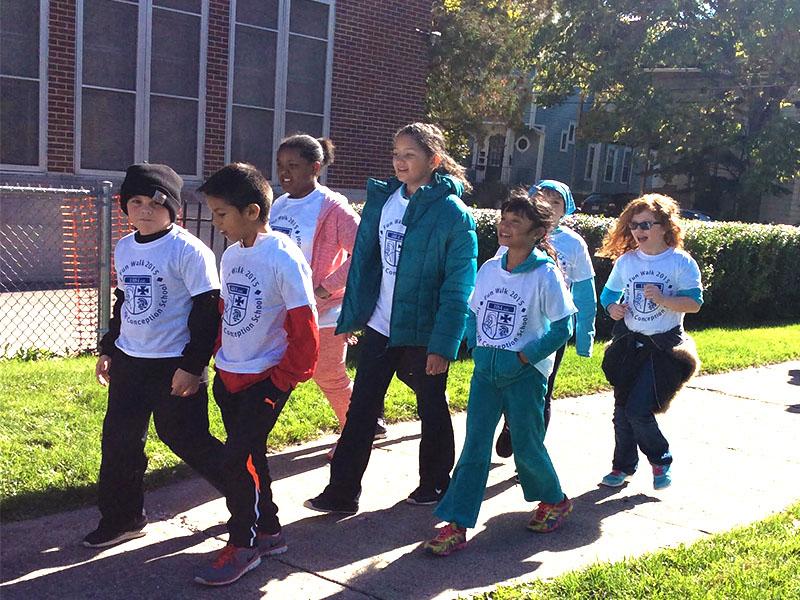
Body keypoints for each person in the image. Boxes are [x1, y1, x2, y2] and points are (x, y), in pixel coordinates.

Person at [304, 122, 478, 514]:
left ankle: (435, 484)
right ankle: (342, 493)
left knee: (431, 406)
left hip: (423, 331)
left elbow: (458, 285)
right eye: (396, 154)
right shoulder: (384, 202)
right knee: (362, 408)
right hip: (380, 326)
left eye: (409, 155)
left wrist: (444, 343)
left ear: (433, 161)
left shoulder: (454, 215)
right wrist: (353, 315)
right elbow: (365, 263)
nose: (399, 162)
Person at [423, 189, 577, 556]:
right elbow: (474, 310)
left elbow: (562, 328)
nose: (504, 227)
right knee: (475, 444)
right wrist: (476, 346)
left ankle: (554, 499)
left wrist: (523, 359)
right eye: (503, 219)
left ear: (537, 232)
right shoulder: (491, 267)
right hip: (486, 374)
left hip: (525, 375)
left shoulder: (545, 275)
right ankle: (457, 523)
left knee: (526, 444)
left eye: (515, 222)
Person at [84, 163, 226, 549]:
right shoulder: (125, 247)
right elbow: (125, 302)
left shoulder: (189, 251)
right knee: (119, 442)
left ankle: (250, 500)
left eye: (155, 203)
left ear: (173, 208)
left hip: (173, 364)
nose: (145, 210)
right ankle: (123, 518)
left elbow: (206, 310)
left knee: (187, 438)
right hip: (130, 361)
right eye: (136, 201)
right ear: (124, 207)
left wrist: (193, 368)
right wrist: (109, 349)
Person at [193, 163, 319, 586]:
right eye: (212, 213)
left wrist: (282, 379)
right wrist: (216, 355)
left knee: (235, 460)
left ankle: (242, 545)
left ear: (251, 211)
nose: (216, 223)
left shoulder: (282, 255)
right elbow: (230, 312)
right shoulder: (231, 254)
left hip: (266, 379)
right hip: (230, 376)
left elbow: (305, 326)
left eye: (221, 214)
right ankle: (269, 531)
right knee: (251, 459)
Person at [596, 193, 702, 491]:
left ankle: (660, 459)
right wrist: (612, 308)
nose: (638, 231)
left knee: (638, 411)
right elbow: (608, 296)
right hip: (629, 345)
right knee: (621, 413)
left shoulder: (680, 262)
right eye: (633, 225)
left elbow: (694, 303)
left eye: (645, 224)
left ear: (665, 226)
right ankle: (622, 467)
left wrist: (664, 299)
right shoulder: (627, 262)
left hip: (664, 349)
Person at [271, 135, 362, 456]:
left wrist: (324, 289)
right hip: (285, 309)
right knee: (275, 372)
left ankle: (354, 435)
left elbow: (364, 253)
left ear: (315, 167)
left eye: (293, 166)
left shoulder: (332, 207)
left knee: (327, 373)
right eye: (281, 166)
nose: (284, 173)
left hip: (326, 309)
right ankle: (251, 436)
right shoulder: (278, 205)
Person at [494, 180, 596, 457]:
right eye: (542, 198)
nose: (549, 206)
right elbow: (494, 278)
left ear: (566, 210)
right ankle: (511, 425)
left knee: (541, 391)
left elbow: (585, 292)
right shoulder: (515, 235)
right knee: (505, 381)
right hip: (514, 325)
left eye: (556, 203)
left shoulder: (573, 244)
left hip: (551, 330)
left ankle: (531, 453)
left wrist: (584, 336)